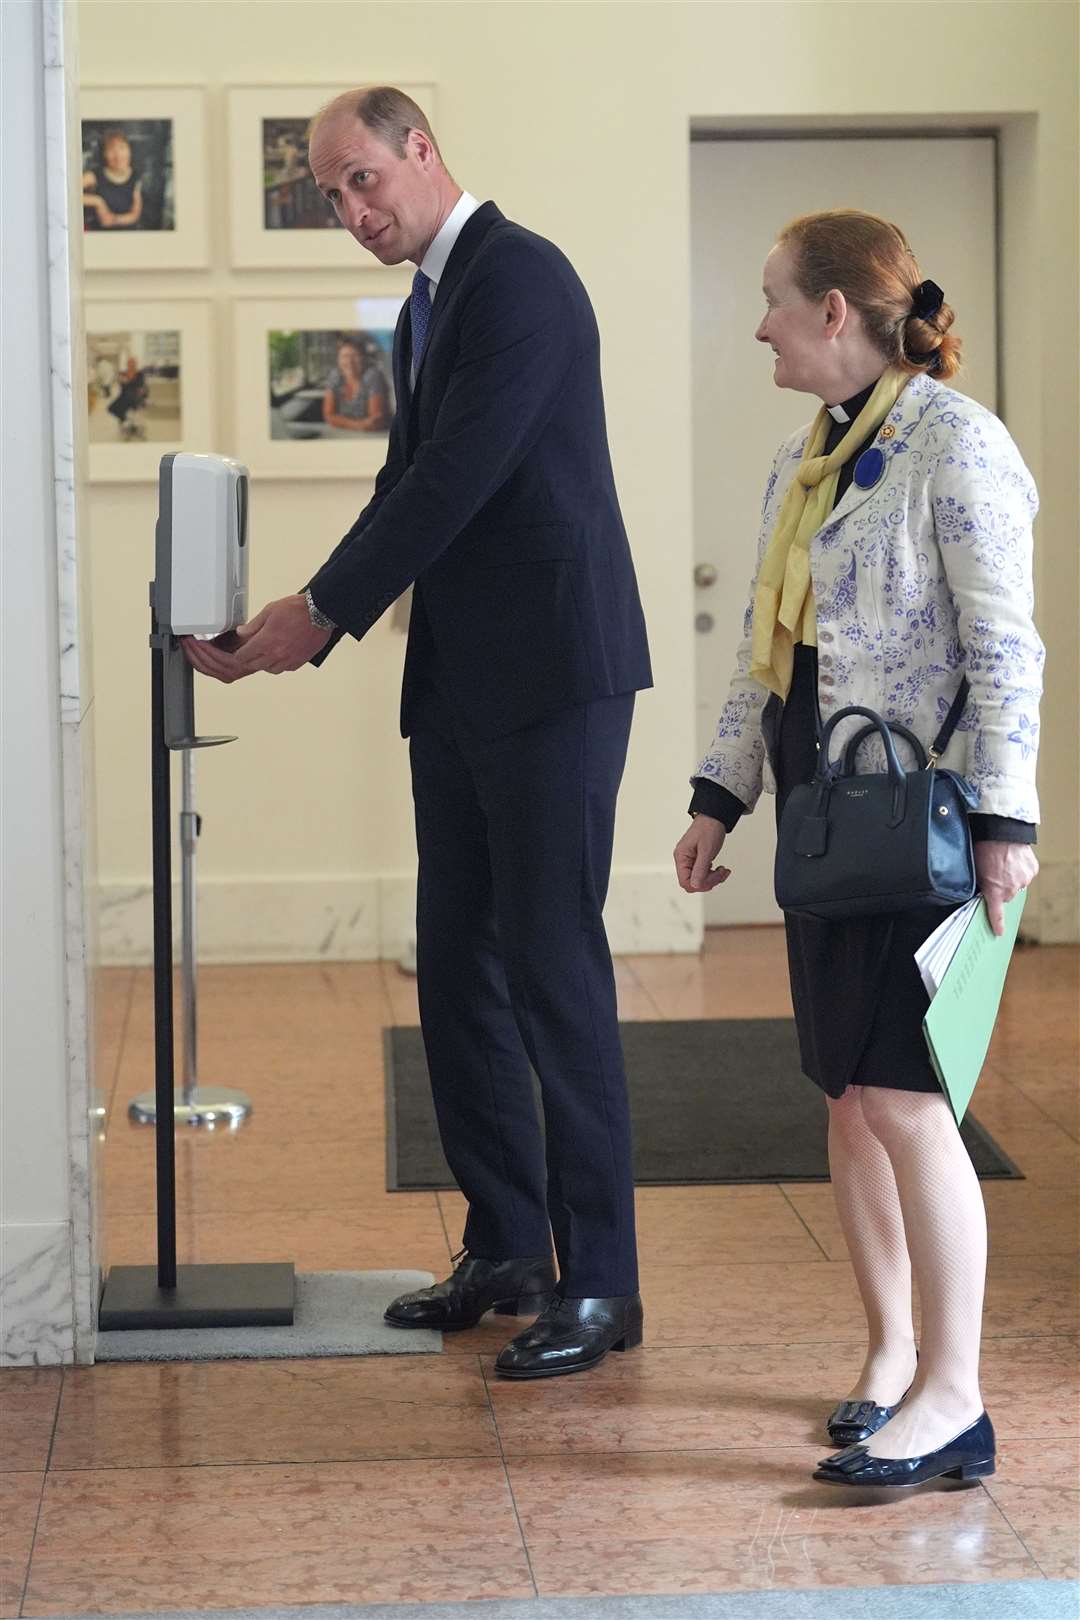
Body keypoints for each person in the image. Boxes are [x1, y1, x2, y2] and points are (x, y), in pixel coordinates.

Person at [184, 86, 652, 1379]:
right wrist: (301, 620)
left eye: (361, 181)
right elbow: (406, 480)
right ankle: (505, 1247)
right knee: (455, 966)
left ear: (422, 151)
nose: (350, 211)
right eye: (329, 195)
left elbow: (460, 481)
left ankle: (602, 1285)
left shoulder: (521, 279)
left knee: (553, 968)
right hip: (458, 679)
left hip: (556, 677)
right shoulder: (427, 303)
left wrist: (313, 613)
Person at [675, 210, 1042, 1487]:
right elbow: (765, 655)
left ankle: (957, 1398)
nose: (761, 323)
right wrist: (718, 793)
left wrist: (1007, 821)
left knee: (906, 1097)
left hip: (925, 822)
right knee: (846, 1098)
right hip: (825, 813)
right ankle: (890, 1360)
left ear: (838, 311)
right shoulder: (806, 459)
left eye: (774, 299)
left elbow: (1005, 645)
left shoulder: (958, 445)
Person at [322, 336, 389, 433]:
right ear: (338, 360)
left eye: (355, 355)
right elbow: (328, 415)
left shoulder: (373, 375)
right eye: (344, 356)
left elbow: (376, 421)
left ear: (364, 358)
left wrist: (340, 421)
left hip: (376, 435)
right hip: (346, 433)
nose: (350, 362)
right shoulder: (335, 375)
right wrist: (358, 425)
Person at [83, 129, 143, 230]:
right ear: (104, 154)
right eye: (111, 150)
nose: (118, 155)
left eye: (122, 148)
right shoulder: (94, 175)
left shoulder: (135, 176)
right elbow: (67, 191)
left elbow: (135, 214)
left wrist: (114, 219)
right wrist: (97, 201)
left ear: (129, 150)